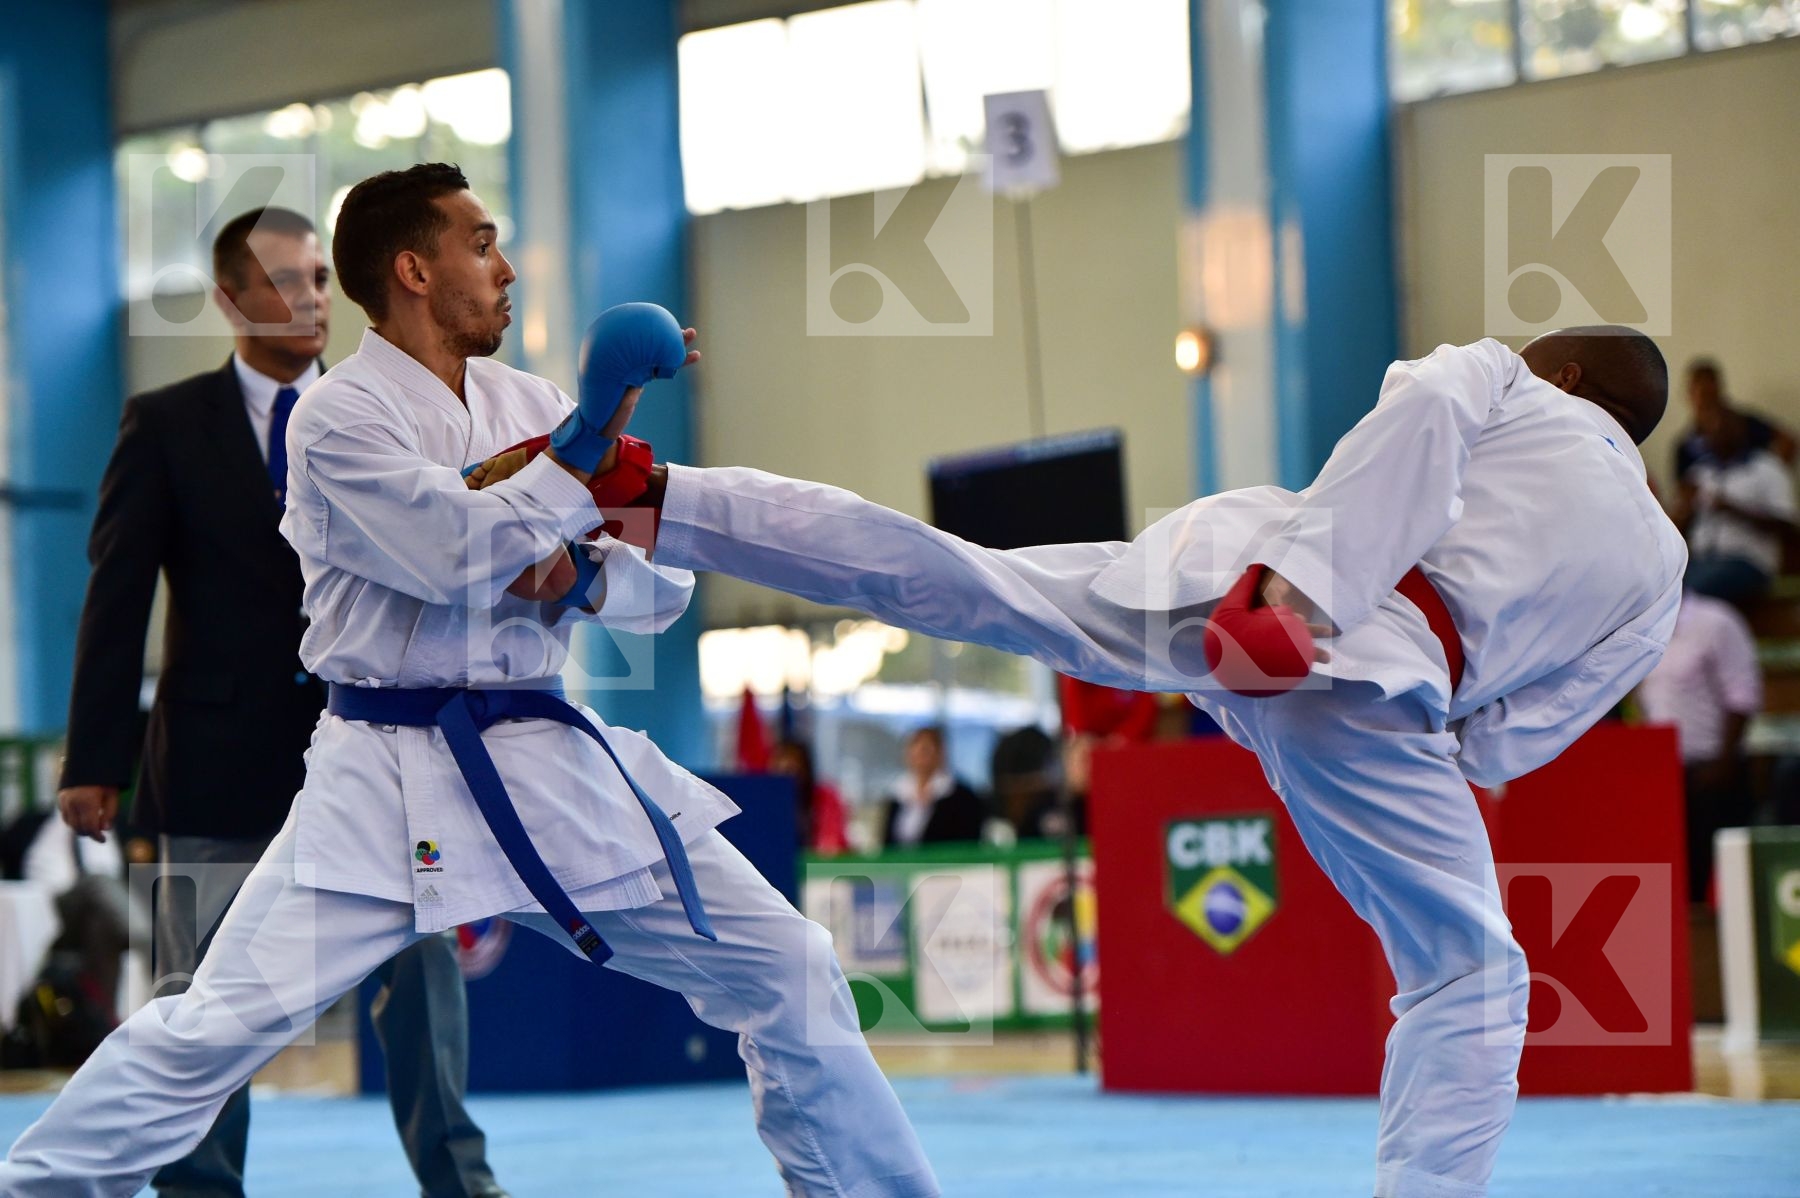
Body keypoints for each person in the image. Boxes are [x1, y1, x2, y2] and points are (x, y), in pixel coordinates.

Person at [1, 164, 936, 1198]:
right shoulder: (338, 419)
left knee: (786, 966)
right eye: (482, 245)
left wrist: (578, 570)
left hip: (544, 754)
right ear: (413, 269)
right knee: (212, 1030)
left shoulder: (529, 402)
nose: (505, 270)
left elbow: (655, 588)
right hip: (382, 772)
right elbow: (450, 547)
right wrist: (575, 458)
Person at [619, 327, 1684, 1198]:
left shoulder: (1504, 374)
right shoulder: (1662, 559)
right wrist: (1432, 734)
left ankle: (667, 500)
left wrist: (1300, 584)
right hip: (1383, 695)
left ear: (1571, 374)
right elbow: (1542, 721)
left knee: (969, 580)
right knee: (1474, 976)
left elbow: (1417, 416)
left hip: (1245, 587)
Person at [54, 205, 507, 1198]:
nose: (311, 298)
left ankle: (461, 1182)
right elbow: (117, 592)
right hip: (210, 767)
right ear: (230, 298)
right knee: (201, 1005)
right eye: (287, 280)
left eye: (317, 277)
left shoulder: (379, 410)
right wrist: (95, 759)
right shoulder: (166, 425)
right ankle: (200, 1189)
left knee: (424, 984)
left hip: (376, 756)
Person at [1636, 589, 1762, 902]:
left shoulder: (1716, 622)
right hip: (1662, 771)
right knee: (1674, 875)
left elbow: (1742, 694)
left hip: (1711, 769)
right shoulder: (1639, 628)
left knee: (1716, 874)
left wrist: (1724, 759)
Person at [1672, 397, 1796, 604]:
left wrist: (1733, 509)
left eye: (1723, 427)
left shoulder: (1767, 468)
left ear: (1740, 430)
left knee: (1690, 593)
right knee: (1660, 587)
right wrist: (1686, 509)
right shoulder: (1700, 473)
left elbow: (1786, 526)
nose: (1716, 434)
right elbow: (1676, 531)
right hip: (1701, 560)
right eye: (1710, 429)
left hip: (1747, 563)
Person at [1673, 357, 1795, 484]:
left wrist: (1771, 478)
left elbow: (1788, 442)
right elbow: (1683, 493)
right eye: (1702, 396)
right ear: (1689, 396)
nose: (1706, 404)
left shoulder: (1745, 425)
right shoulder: (1685, 447)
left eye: (1710, 395)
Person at [879, 726, 986, 849]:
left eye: (925, 750)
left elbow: (968, 842)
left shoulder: (962, 797)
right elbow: (887, 843)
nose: (920, 756)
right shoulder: (898, 795)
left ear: (940, 753)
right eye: (914, 748)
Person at [769, 738, 851, 855]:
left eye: (795, 762)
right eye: (781, 763)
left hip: (821, 865)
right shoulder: (771, 802)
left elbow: (829, 843)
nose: (789, 769)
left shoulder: (825, 795)